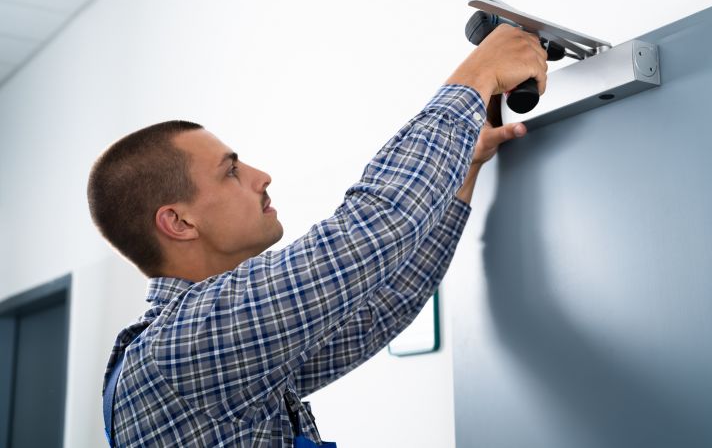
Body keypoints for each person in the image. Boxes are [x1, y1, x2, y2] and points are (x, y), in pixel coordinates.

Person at [88, 23, 548, 447]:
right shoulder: (185, 349)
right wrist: (480, 71)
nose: (261, 176)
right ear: (179, 223)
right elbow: (371, 226)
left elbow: (378, 310)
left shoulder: (228, 359)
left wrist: (464, 167)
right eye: (230, 172)